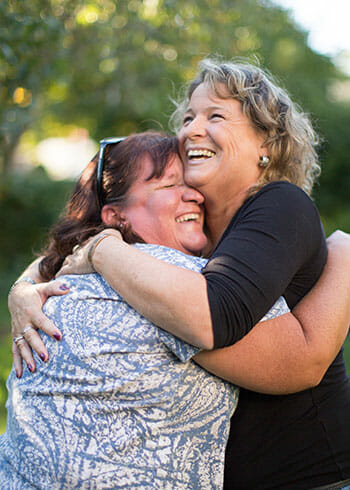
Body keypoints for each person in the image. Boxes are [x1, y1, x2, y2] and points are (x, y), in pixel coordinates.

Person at [8, 60, 350, 489]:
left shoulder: (279, 206)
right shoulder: (197, 232)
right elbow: (63, 259)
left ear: (266, 141)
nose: (191, 129)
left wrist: (103, 247)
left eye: (216, 115)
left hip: (310, 476)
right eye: (188, 118)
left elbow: (214, 316)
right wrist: (22, 289)